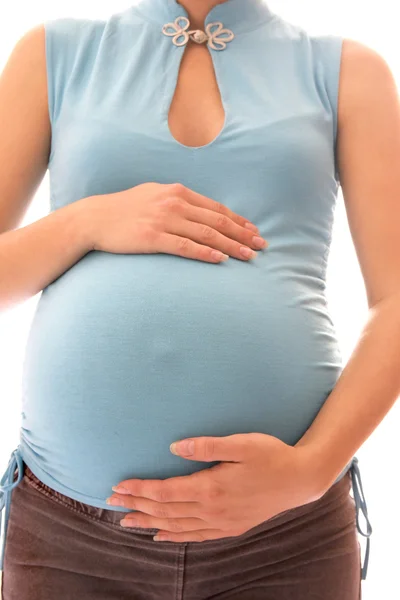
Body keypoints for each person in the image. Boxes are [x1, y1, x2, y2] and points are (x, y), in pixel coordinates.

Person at [6, 0, 400, 596]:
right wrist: (87, 221)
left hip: (286, 534)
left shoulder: (346, 69)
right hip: (71, 537)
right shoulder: (54, 54)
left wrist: (311, 471)